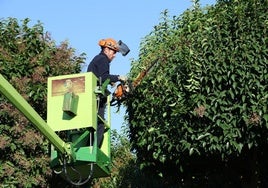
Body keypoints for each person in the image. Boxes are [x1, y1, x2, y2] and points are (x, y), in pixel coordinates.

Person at [87, 38, 129, 148]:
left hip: (94, 95)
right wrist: (118, 77)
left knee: (94, 124)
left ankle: (90, 147)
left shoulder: (98, 59)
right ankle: (94, 149)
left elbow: (100, 77)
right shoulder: (102, 59)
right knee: (100, 125)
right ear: (106, 49)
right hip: (96, 97)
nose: (115, 55)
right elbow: (104, 76)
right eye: (114, 51)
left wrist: (111, 84)